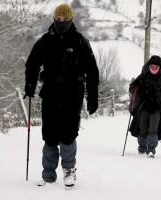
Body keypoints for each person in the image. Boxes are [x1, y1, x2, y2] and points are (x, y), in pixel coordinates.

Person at [24, 4, 99, 187]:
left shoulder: (81, 42)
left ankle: (69, 171)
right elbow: (32, 63)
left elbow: (92, 71)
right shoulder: (45, 41)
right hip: (50, 92)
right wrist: (30, 84)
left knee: (68, 135)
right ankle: (48, 175)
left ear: (71, 19)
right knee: (49, 136)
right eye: (58, 19)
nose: (61, 22)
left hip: (73, 94)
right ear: (54, 19)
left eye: (65, 20)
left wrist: (93, 96)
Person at [128, 55, 161, 158]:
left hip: (157, 109)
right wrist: (135, 85)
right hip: (143, 107)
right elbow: (132, 89)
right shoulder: (143, 76)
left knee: (153, 128)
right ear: (148, 66)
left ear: (160, 68)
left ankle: (151, 149)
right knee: (142, 128)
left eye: (156, 67)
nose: (153, 69)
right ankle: (142, 147)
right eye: (151, 67)